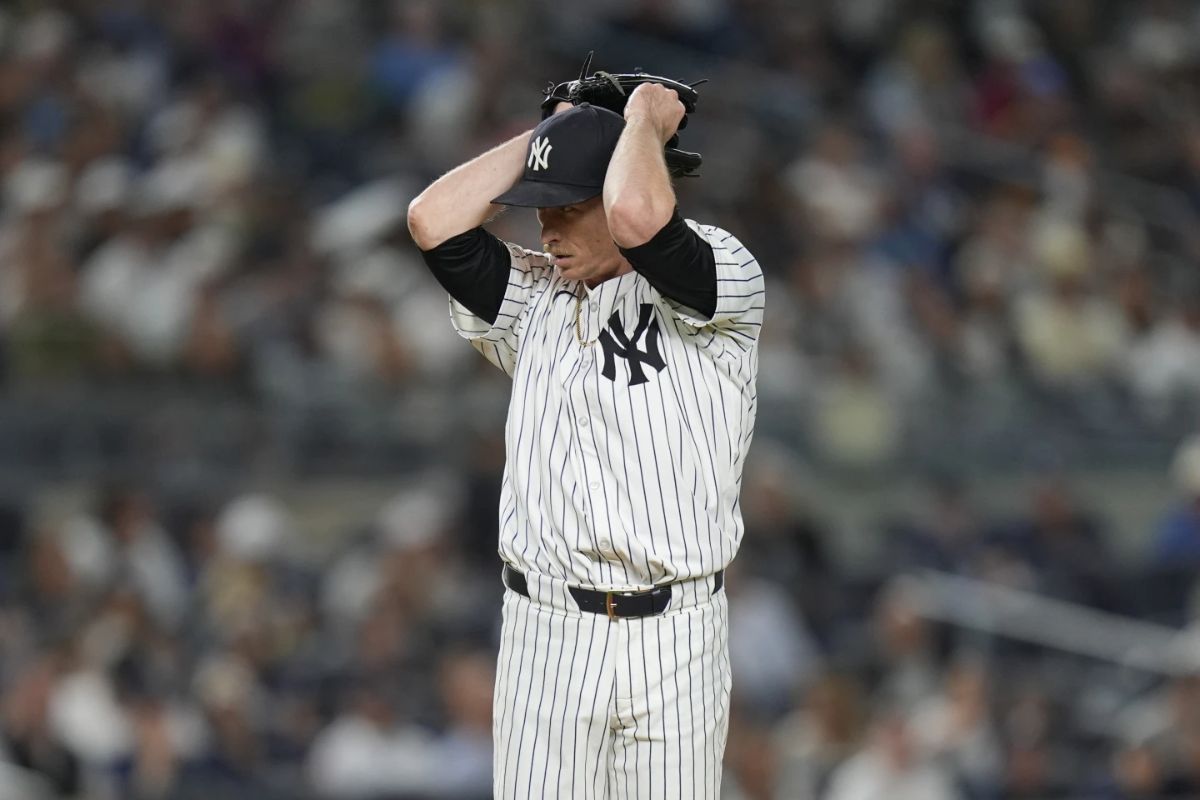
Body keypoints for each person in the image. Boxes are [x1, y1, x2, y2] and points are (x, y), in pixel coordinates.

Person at [407, 81, 764, 799]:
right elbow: (431, 218)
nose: (547, 230)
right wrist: (561, 135)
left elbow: (637, 217)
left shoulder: (725, 277)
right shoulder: (532, 298)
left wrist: (641, 118)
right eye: (543, 208)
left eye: (569, 207)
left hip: (677, 635)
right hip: (548, 632)